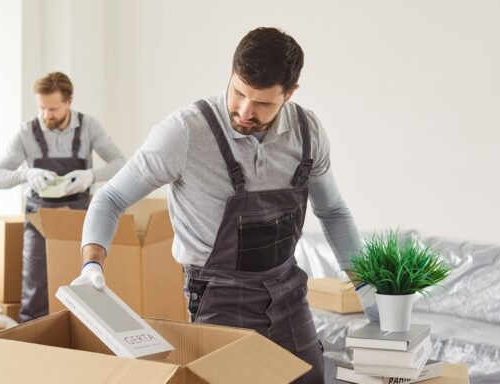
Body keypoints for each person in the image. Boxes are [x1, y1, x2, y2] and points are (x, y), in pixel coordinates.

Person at [72, 28, 378, 384]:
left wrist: (367, 289)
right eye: (238, 93)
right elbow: (111, 198)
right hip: (218, 300)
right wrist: (92, 262)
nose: (245, 111)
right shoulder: (185, 133)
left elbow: (334, 212)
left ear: (290, 94)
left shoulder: (307, 133)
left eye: (262, 103)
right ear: (231, 74)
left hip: (288, 293)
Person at [0, 72, 125, 323]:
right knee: (35, 288)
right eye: (42, 108)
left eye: (53, 108)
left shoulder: (89, 126)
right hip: (39, 219)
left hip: (81, 218)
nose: (46, 115)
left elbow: (121, 164)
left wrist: (91, 175)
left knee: (83, 283)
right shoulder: (26, 132)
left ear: (69, 102)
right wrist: (27, 174)